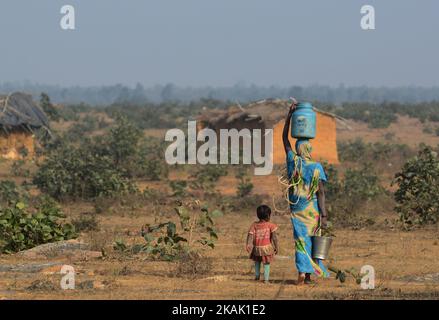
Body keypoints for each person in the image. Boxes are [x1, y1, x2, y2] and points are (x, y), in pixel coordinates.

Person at [282, 102, 329, 285]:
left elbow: (284, 140)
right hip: (313, 210)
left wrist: (288, 116)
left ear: (298, 149)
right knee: (312, 240)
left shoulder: (293, 161)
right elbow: (322, 193)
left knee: (301, 241)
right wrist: (324, 214)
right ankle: (307, 273)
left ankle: (304, 273)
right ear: (309, 149)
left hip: (297, 210)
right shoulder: (316, 167)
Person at [246, 205, 279, 283]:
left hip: (256, 248)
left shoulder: (254, 225)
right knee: (266, 263)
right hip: (266, 249)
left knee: (257, 262)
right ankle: (266, 279)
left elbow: (250, 235)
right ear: (268, 216)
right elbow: (274, 238)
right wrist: (276, 247)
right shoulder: (271, 225)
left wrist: (248, 244)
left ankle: (257, 277)